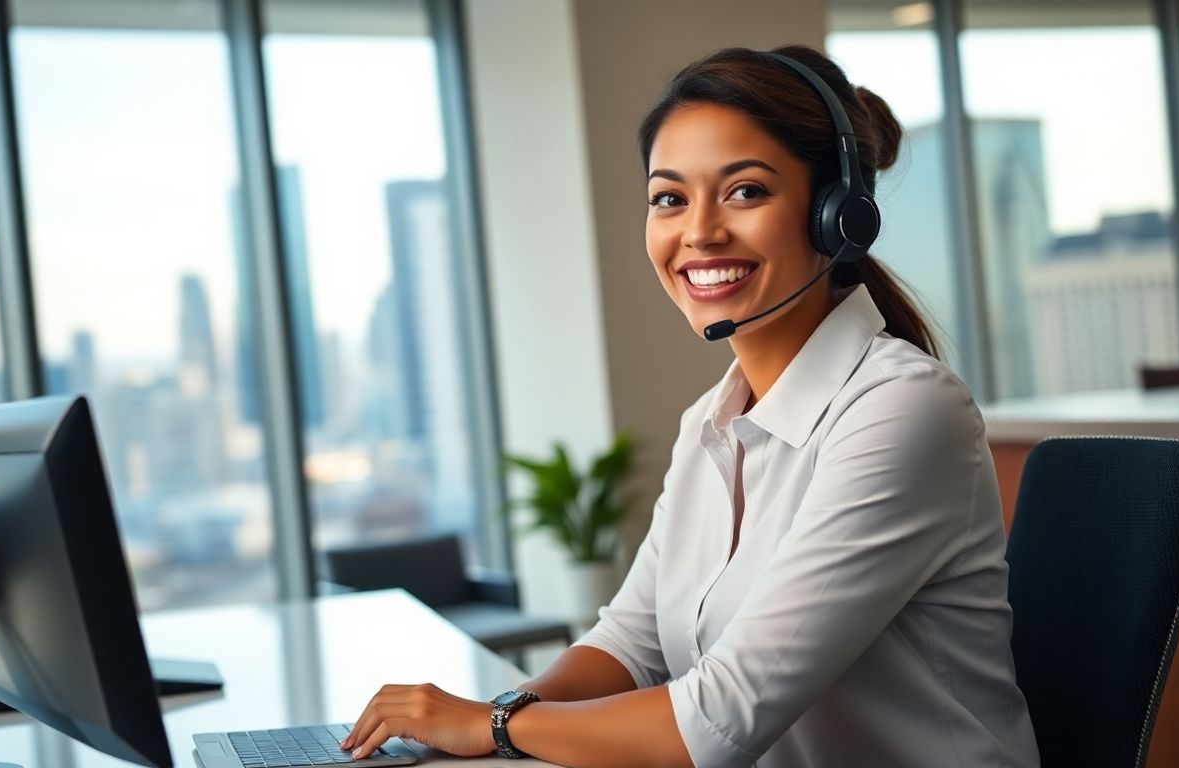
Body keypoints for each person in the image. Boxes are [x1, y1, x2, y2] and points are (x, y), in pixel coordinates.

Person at [339, 45, 1041, 768]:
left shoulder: (904, 410)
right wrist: (495, 729)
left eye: (744, 192)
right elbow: (630, 642)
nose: (698, 233)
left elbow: (719, 718)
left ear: (837, 217)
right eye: (670, 198)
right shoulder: (711, 422)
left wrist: (491, 727)